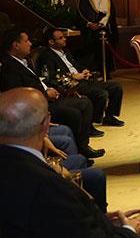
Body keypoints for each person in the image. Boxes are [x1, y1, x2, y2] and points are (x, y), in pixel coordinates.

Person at [0, 87, 140, 237]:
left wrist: (101, 219)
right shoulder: (49, 186)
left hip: (92, 226)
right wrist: (128, 230)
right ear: (47, 124)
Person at [0, 28, 103, 158]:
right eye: (26, 41)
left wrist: (49, 89)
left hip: (47, 96)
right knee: (74, 113)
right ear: (16, 45)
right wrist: (46, 94)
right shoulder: (8, 67)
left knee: (85, 103)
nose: (30, 44)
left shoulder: (24, 60)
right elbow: (18, 95)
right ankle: (78, 151)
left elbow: (38, 80)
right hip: (35, 106)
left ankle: (83, 146)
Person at [38, 28, 125, 127]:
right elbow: (52, 78)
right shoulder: (46, 56)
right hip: (72, 85)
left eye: (64, 37)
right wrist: (73, 76)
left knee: (116, 87)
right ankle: (90, 123)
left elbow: (75, 65)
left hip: (83, 80)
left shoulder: (65, 50)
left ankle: (109, 117)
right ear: (51, 42)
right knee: (101, 94)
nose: (65, 39)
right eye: (61, 38)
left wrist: (84, 70)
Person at [77, 0, 118, 76]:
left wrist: (103, 25)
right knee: (93, 55)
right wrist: (89, 24)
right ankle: (94, 74)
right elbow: (80, 15)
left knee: (106, 54)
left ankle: (106, 74)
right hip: (90, 33)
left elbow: (112, 16)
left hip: (105, 31)